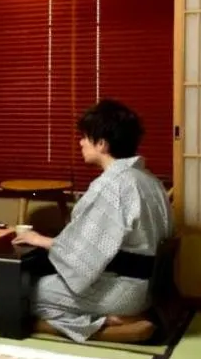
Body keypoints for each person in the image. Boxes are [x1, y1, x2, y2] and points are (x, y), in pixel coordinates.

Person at [14, 100, 172, 343]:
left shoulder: (112, 185)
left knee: (27, 293)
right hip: (150, 288)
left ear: (102, 144)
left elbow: (84, 254)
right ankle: (116, 318)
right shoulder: (148, 180)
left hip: (124, 291)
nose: (80, 142)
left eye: (85, 137)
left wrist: (40, 240)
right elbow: (95, 242)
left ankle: (112, 325)